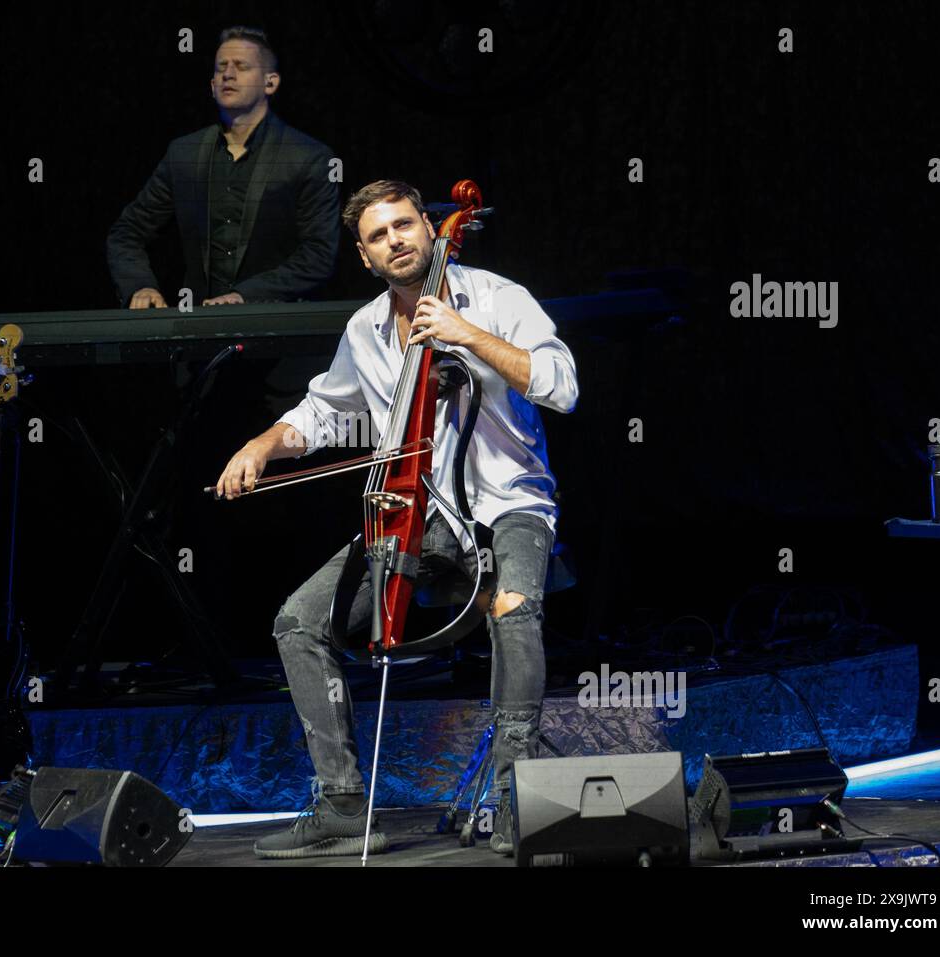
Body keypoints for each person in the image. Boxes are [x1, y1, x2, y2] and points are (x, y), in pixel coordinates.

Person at [214, 179, 579, 858]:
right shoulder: (366, 329)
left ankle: (514, 799)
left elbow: (563, 384)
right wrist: (264, 443)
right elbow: (323, 412)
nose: (397, 240)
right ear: (364, 255)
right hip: (416, 508)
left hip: (510, 502)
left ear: (429, 227)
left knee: (514, 606)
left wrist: (468, 334)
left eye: (405, 224)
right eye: (379, 235)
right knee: (298, 621)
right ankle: (345, 802)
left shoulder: (498, 298)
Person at [105, 26, 339, 308]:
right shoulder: (184, 153)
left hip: (277, 327)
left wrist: (246, 295)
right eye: (221, 68)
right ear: (212, 85)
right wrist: (140, 286)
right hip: (200, 330)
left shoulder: (307, 156)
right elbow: (128, 231)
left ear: (270, 83)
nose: (228, 74)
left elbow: (319, 254)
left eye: (241, 66)